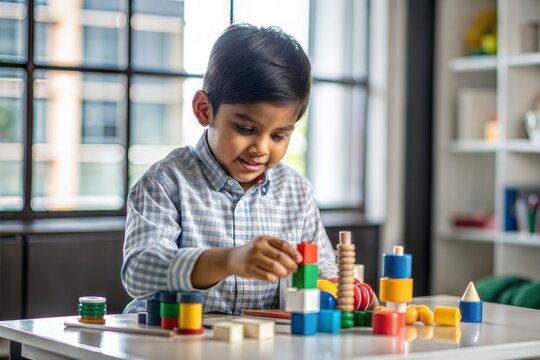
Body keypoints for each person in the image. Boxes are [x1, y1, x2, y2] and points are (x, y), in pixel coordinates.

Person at [121, 23, 338, 315]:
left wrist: (343, 289)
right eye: (245, 128)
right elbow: (139, 271)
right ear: (204, 110)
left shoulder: (296, 191)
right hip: (174, 345)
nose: (261, 147)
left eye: (278, 136)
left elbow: (323, 267)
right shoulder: (166, 183)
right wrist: (228, 260)